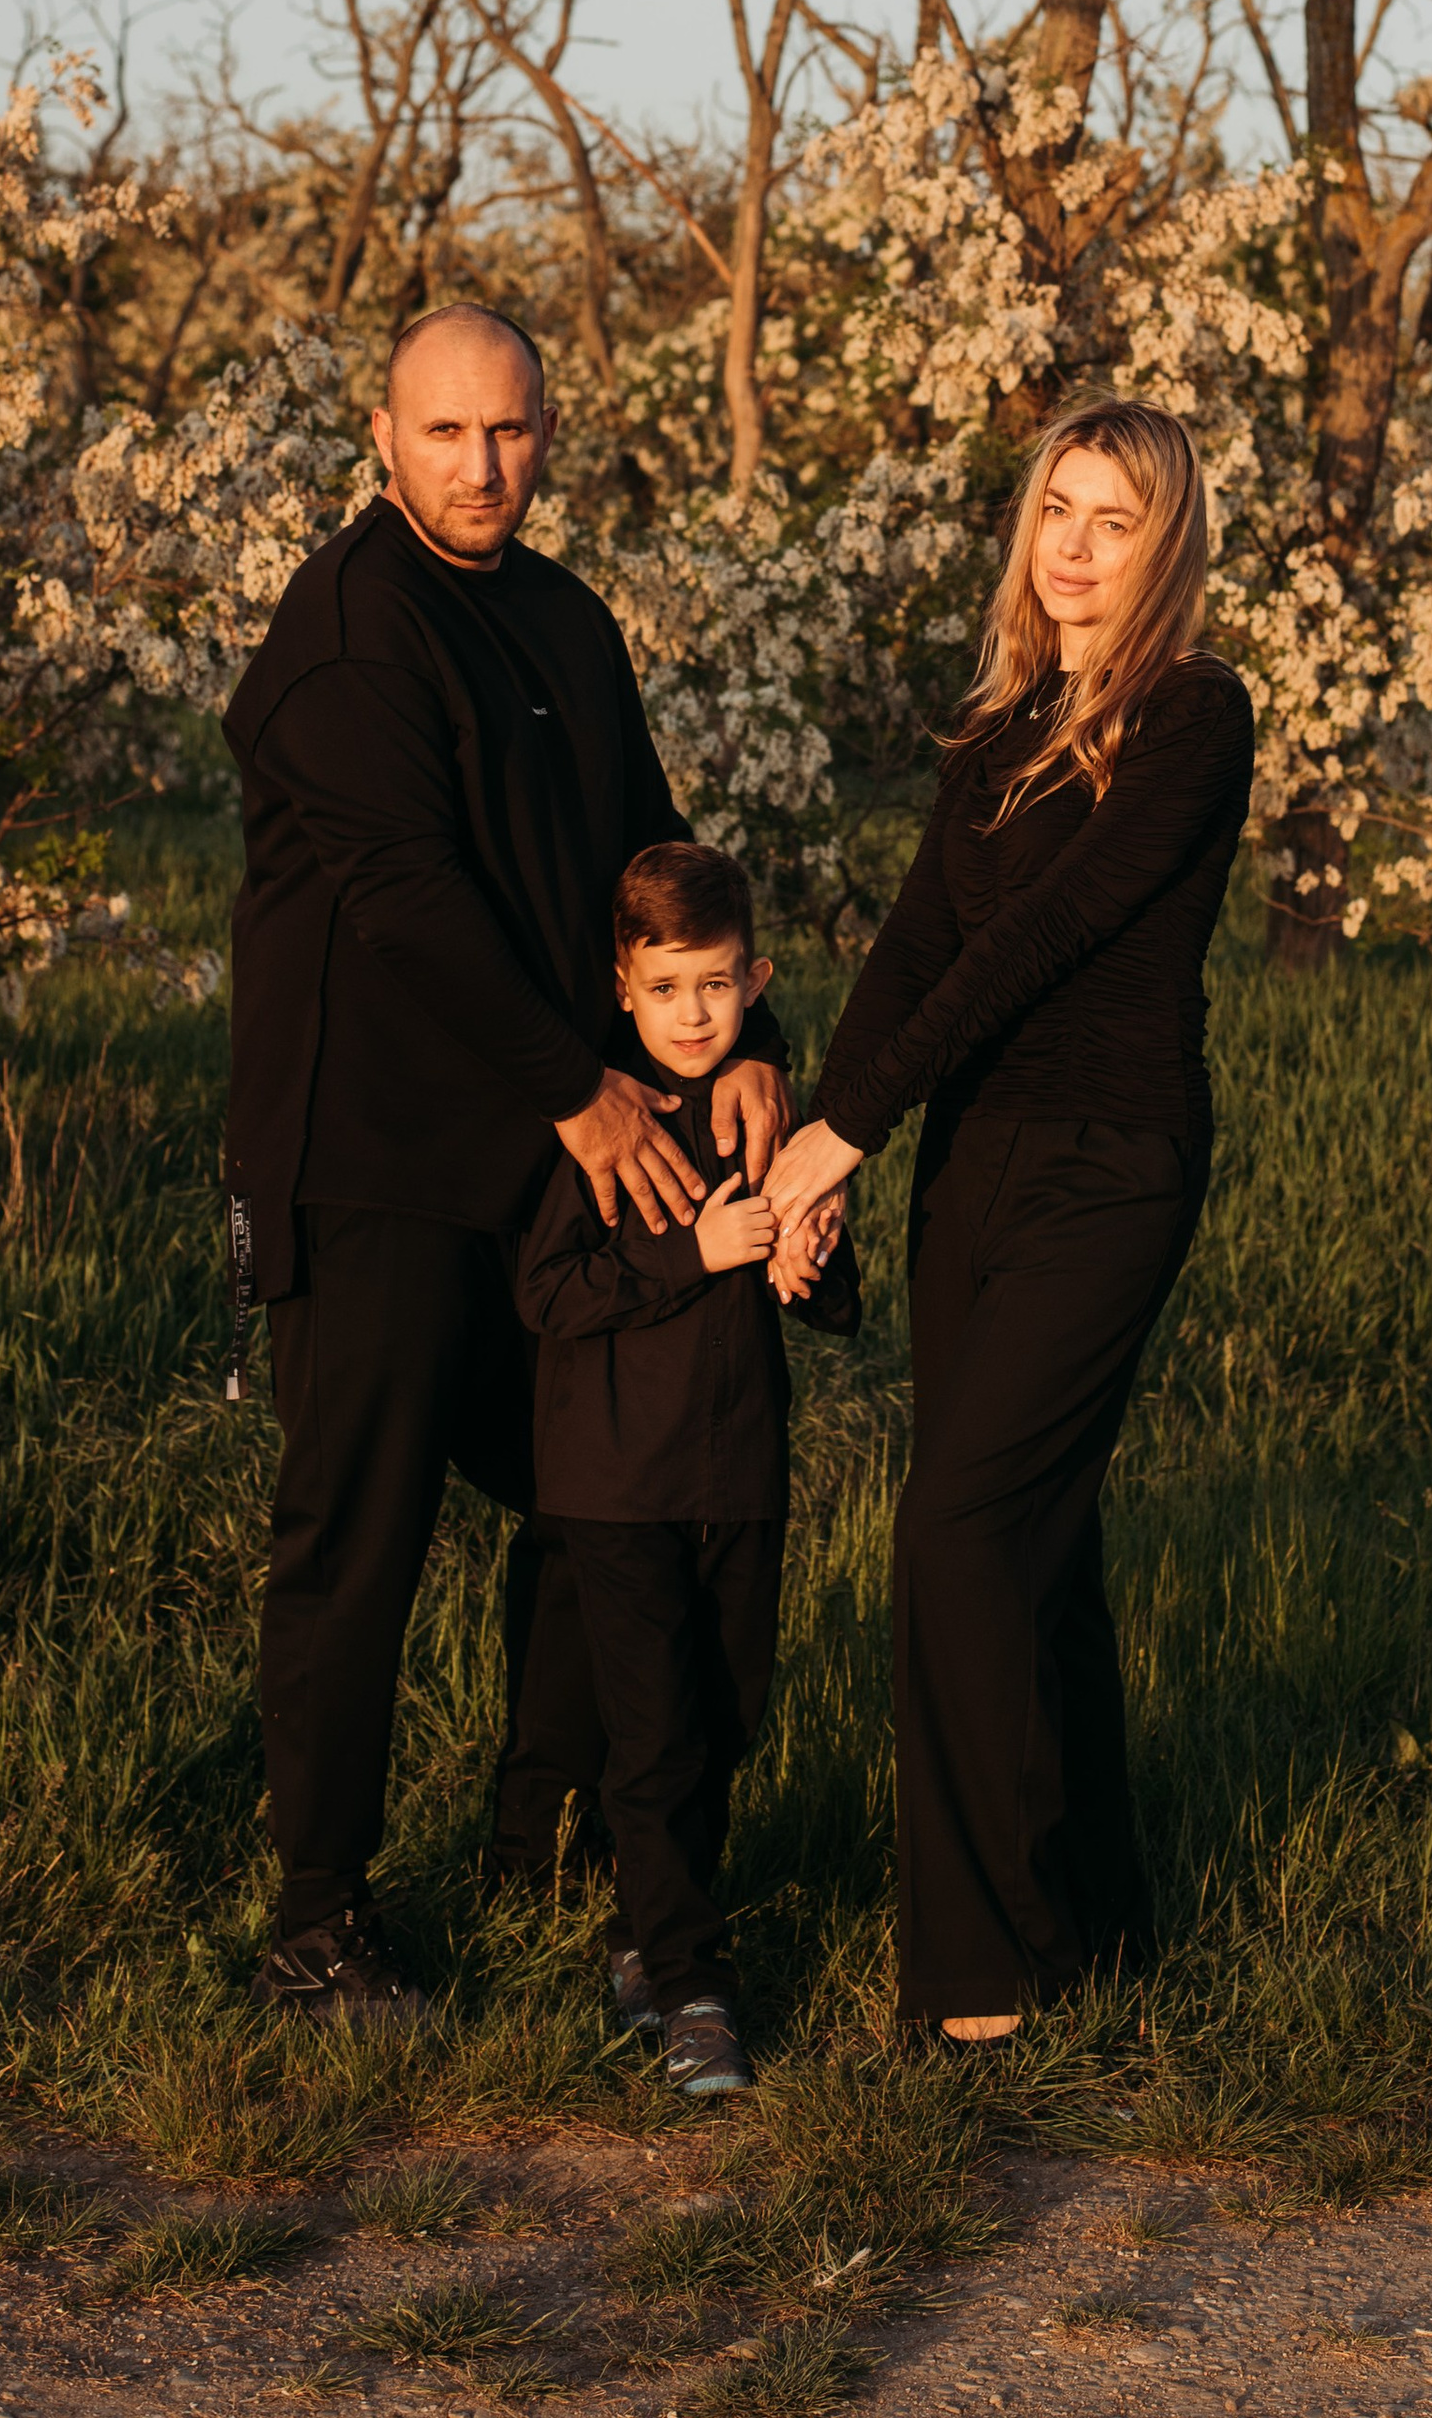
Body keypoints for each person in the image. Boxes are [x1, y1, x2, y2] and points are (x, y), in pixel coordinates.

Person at [222, 303, 791, 2015]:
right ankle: (316, 1920)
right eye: (449, 434)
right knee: (363, 1530)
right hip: (377, 1158)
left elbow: (656, 865)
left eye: (515, 432)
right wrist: (587, 1093)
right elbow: (407, 902)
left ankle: (551, 1850)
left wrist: (752, 1044)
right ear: (382, 438)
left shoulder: (562, 619)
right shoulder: (345, 629)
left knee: (592, 1490)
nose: (485, 467)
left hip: (547, 1160)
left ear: (550, 434)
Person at [762, 397, 1253, 2042]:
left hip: (1108, 1168)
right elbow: (914, 948)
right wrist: (808, 1161)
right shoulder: (993, 733)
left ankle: (982, 1984)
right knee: (1034, 1556)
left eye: (1116, 521)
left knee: (958, 1539)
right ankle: (1101, 1931)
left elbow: (1052, 933)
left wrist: (849, 1127)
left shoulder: (1195, 716)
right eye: (1060, 511)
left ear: (1165, 544)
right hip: (973, 1165)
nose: (1078, 547)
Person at [516, 841, 858, 2099]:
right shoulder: (605, 1123)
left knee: (726, 1720)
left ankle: (640, 1933)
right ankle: (693, 1985)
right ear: (624, 987)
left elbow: (834, 1305)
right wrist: (697, 1251)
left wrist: (809, 1255)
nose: (695, 1013)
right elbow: (546, 1293)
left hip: (739, 1474)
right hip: (615, 1485)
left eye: (716, 984)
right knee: (655, 1738)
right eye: (668, 989)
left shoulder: (766, 1113)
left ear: (755, 975)